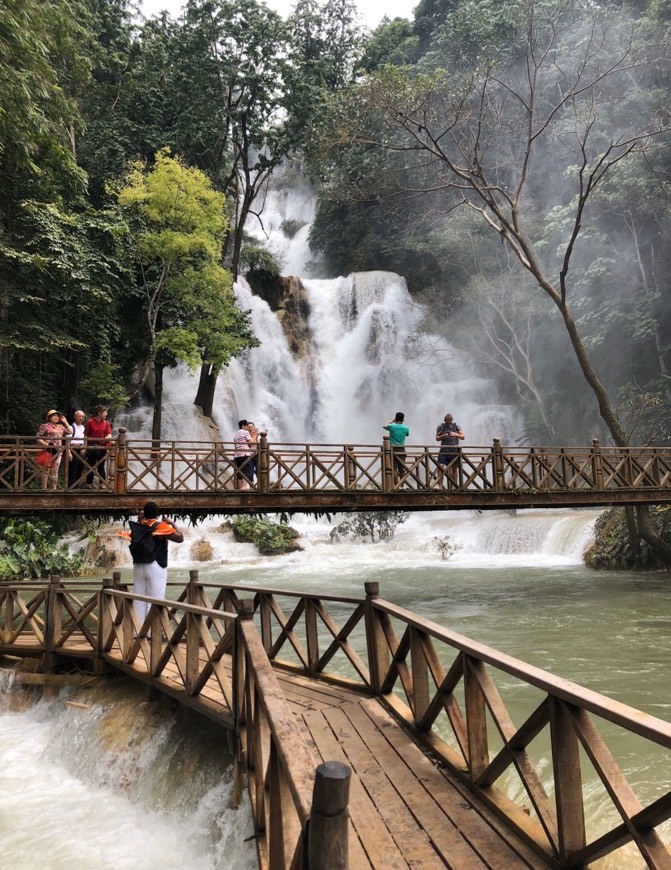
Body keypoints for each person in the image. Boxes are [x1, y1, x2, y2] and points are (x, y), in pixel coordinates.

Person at [120, 501, 184, 627]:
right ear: (157, 514)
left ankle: (137, 631)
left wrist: (140, 520)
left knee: (139, 600)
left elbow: (130, 537)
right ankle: (151, 634)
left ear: (145, 513)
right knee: (155, 600)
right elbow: (180, 538)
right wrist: (172, 523)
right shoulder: (160, 526)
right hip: (155, 565)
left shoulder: (137, 526)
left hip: (139, 566)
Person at [36, 410, 72, 489]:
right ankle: (44, 488)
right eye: (54, 415)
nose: (56, 417)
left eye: (57, 416)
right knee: (46, 470)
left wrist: (65, 422)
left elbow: (70, 431)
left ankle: (54, 488)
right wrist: (45, 443)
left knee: (55, 470)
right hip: (48, 450)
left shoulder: (61, 426)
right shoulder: (45, 426)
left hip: (58, 451)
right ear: (49, 417)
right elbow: (38, 437)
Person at [84, 405, 112, 488]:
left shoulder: (106, 423)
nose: (106, 414)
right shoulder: (90, 422)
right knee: (91, 466)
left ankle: (102, 483)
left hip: (102, 447)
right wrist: (85, 448)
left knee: (101, 466)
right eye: (105, 412)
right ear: (99, 412)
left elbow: (109, 434)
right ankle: (89, 484)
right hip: (92, 446)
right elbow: (85, 435)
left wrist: (107, 438)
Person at [435, 413, 465, 488]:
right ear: (444, 420)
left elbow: (463, 437)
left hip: (454, 450)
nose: (448, 422)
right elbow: (437, 438)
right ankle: (440, 486)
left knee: (454, 468)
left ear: (452, 420)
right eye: (447, 421)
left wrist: (455, 434)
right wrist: (442, 436)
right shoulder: (441, 427)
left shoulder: (456, 426)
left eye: (450, 421)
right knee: (440, 467)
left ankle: (454, 486)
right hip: (443, 450)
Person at [383, 411, 409, 486]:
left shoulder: (392, 426)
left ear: (395, 418)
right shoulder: (406, 428)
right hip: (402, 449)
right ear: (403, 419)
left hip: (392, 449)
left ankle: (396, 485)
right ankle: (402, 486)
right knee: (402, 469)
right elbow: (407, 434)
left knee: (394, 468)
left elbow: (384, 426)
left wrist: (391, 421)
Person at [67, 409, 86, 488]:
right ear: (75, 417)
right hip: (73, 449)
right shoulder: (72, 427)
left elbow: (85, 438)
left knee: (80, 469)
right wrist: (68, 452)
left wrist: (84, 448)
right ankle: (71, 487)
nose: (80, 418)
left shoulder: (83, 427)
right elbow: (67, 440)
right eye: (79, 416)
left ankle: (76, 487)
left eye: (82, 416)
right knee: (73, 469)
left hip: (81, 449)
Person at [234, 419, 253, 490]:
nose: (248, 428)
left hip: (237, 455)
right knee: (246, 470)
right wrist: (255, 435)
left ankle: (240, 488)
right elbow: (251, 443)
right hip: (244, 453)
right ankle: (244, 487)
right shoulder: (245, 432)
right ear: (243, 426)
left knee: (239, 471)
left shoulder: (236, 434)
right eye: (247, 426)